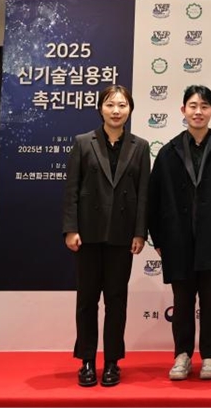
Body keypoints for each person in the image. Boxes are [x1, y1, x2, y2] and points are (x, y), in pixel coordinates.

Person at [147, 85, 211, 381]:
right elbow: (153, 200)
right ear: (183, 110)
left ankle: (210, 357)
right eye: (192, 106)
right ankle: (182, 355)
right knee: (182, 302)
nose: (198, 111)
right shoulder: (168, 153)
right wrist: (159, 239)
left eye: (204, 106)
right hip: (176, 240)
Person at [62, 84, 150, 387]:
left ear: (130, 110)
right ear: (100, 108)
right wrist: (71, 228)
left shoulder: (140, 146)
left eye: (122, 105)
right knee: (87, 300)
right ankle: (87, 360)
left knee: (116, 300)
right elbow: (72, 190)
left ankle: (112, 361)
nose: (116, 111)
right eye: (111, 104)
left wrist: (140, 232)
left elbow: (143, 194)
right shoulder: (83, 142)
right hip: (88, 234)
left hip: (122, 237)